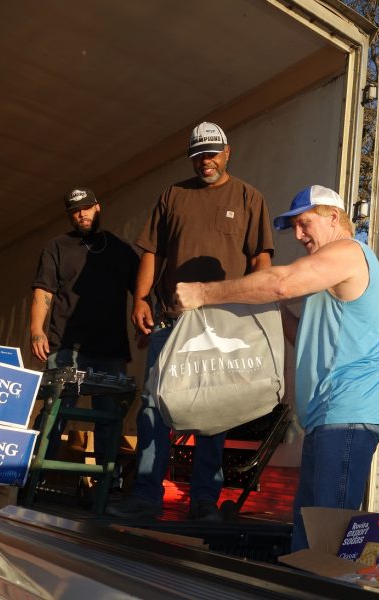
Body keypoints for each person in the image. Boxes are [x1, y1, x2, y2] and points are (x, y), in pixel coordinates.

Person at [172, 184, 379, 550]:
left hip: (349, 410)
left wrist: (204, 293)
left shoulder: (347, 252)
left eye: (303, 223)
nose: (298, 235)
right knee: (307, 533)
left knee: (326, 539)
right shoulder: (327, 279)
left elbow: (282, 283)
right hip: (329, 414)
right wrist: (258, 302)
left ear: (332, 217)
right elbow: (298, 331)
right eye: (293, 227)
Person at [105, 122, 275, 520]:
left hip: (223, 321)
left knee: (213, 408)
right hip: (171, 319)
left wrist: (254, 309)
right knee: (154, 406)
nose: (206, 161)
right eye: (199, 154)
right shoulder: (173, 194)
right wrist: (141, 299)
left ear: (228, 152)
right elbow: (152, 252)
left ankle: (204, 501)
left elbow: (261, 261)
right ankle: (145, 497)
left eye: (213, 153)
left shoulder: (250, 197)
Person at [30, 187, 139, 464]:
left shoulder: (120, 249)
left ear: (97, 207)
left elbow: (141, 291)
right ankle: (34, 476)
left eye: (86, 208)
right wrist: (36, 330)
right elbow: (44, 291)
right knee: (55, 412)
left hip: (110, 349)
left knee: (109, 418)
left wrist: (144, 324)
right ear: (70, 215)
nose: (82, 214)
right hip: (66, 344)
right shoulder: (57, 246)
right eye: (75, 210)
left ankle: (107, 483)